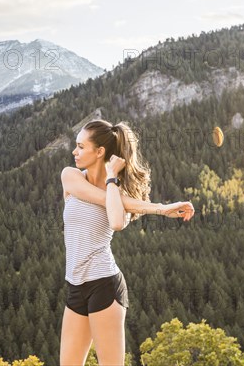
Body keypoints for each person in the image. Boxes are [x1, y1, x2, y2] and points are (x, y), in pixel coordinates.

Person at [59, 119, 195, 366]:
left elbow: (117, 222)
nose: (74, 151)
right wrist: (161, 208)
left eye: (80, 146)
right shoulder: (70, 177)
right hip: (75, 285)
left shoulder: (116, 193)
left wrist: (112, 179)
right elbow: (104, 200)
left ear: (100, 152)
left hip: (104, 285)